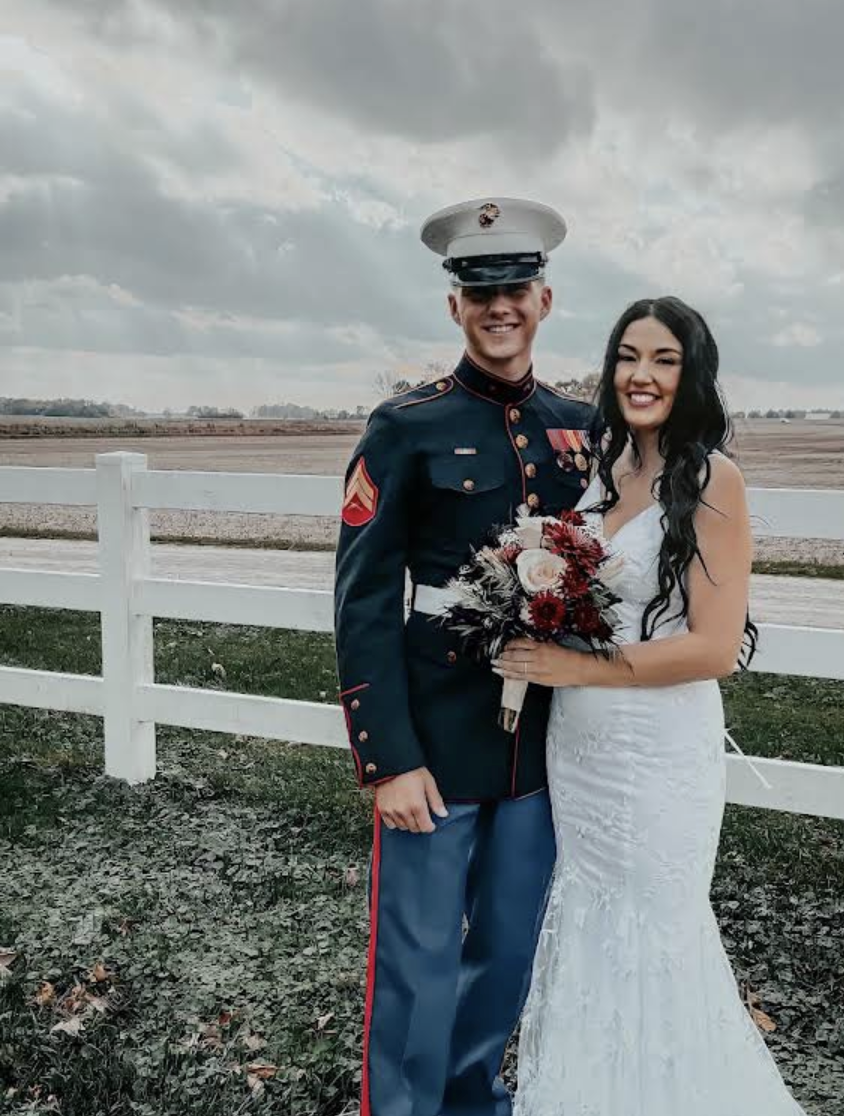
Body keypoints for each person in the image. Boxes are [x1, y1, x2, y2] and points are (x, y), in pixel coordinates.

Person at [495, 296, 809, 1114]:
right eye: (628, 357)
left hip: (660, 748)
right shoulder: (606, 474)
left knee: (653, 931)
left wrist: (574, 666)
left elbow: (713, 648)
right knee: (589, 920)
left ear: (690, 375)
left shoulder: (712, 481)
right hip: (583, 750)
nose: (641, 375)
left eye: (664, 360)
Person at [334, 197, 594, 1116]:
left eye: (516, 290)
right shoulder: (404, 426)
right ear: (456, 306)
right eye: (481, 294)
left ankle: (473, 1102)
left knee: (506, 956)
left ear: (544, 300)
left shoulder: (581, 428)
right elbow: (364, 600)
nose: (500, 308)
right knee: (418, 964)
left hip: (540, 752)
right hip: (435, 743)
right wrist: (388, 759)